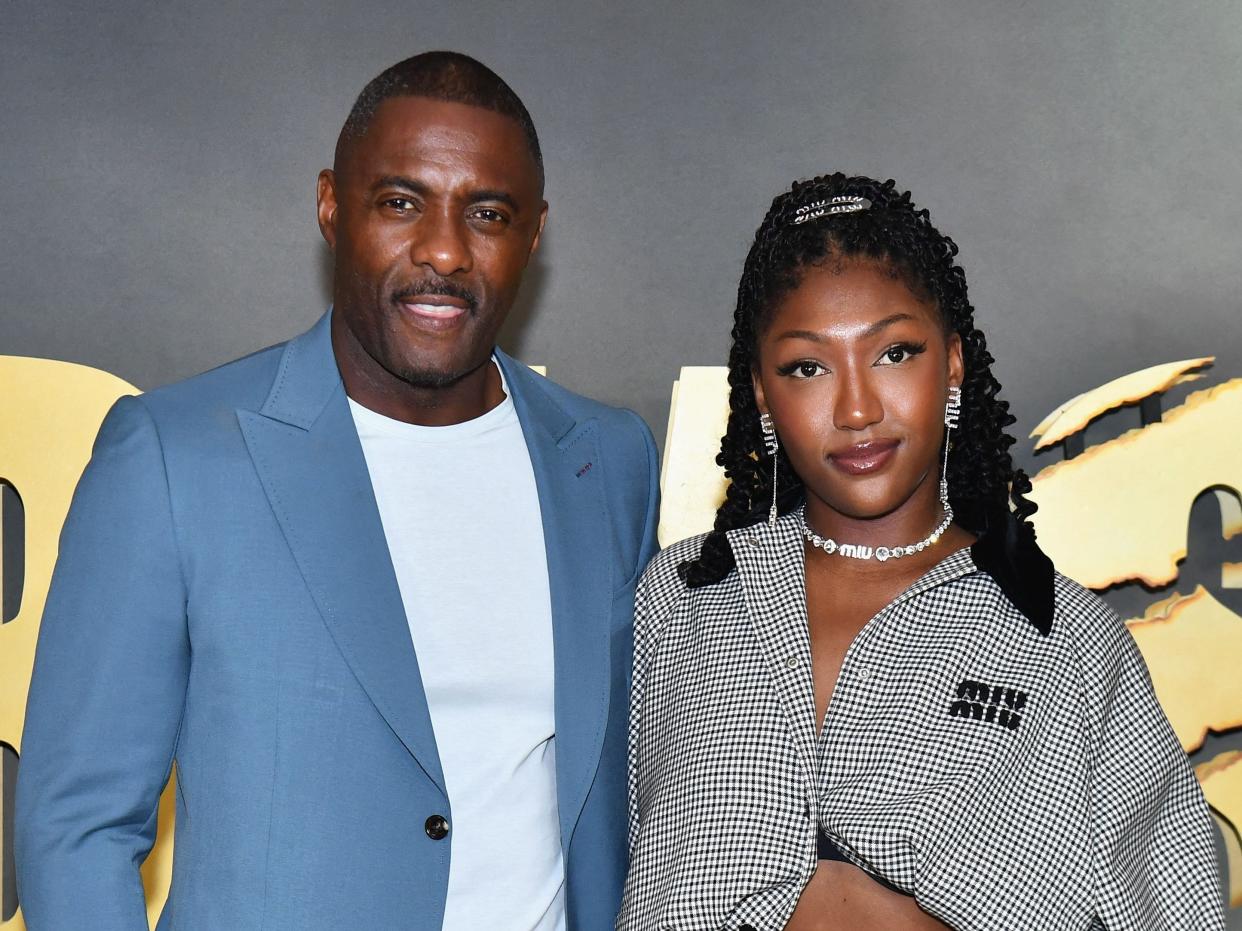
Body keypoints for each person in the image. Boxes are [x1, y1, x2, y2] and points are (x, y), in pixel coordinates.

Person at [16, 51, 659, 931]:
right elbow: (77, 826)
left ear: (534, 233)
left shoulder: (607, 460)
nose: (442, 250)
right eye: (400, 202)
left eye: (488, 212)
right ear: (330, 206)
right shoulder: (174, 455)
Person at [618, 174, 1224, 930]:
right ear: (763, 396)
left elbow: (1179, 909)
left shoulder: (1065, 640)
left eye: (895, 352)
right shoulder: (682, 598)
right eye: (808, 367)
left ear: (955, 362)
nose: (857, 408)